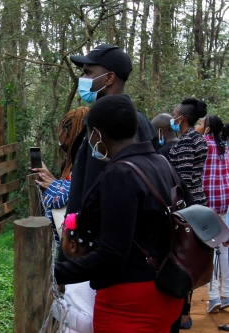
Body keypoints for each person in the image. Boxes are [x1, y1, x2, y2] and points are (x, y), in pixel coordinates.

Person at [54, 95, 187, 332]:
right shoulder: (162, 163)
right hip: (168, 291)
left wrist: (54, 273)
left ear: (96, 134)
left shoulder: (119, 175)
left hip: (130, 302)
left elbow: (113, 254)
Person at [64, 43, 158, 236]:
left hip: (99, 244)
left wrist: (79, 239)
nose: (82, 79)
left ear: (109, 78)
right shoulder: (142, 120)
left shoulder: (103, 125)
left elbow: (94, 190)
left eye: (88, 73)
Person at [167, 98, 208, 331]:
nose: (173, 117)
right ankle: (185, 312)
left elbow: (180, 180)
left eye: (175, 114)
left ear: (181, 118)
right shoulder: (199, 139)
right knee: (190, 260)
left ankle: (181, 314)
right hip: (199, 203)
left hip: (186, 209)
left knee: (181, 259)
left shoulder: (184, 144)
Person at [35, 106, 89, 242]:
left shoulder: (86, 160)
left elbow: (77, 191)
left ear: (67, 132)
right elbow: (69, 186)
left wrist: (55, 186)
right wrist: (53, 182)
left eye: (60, 132)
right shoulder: (71, 162)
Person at [195, 115, 229, 313]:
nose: (198, 126)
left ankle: (213, 297)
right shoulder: (224, 146)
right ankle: (226, 293)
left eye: (200, 124)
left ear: (207, 129)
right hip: (224, 202)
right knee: (224, 248)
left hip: (206, 204)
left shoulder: (201, 145)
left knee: (210, 250)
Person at [52, 213, 95, 333]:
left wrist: (53, 303)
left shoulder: (86, 283)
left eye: (63, 238)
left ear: (72, 245)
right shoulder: (84, 271)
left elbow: (89, 325)